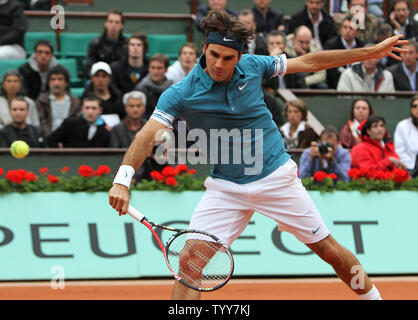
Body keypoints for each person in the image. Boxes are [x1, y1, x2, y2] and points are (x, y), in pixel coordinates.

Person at [109, 10, 407, 300]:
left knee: (327, 249)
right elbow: (147, 135)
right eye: (213, 55)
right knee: (189, 264)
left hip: (277, 178)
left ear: (239, 57)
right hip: (226, 187)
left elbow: (310, 60)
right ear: (204, 49)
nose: (218, 64)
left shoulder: (254, 66)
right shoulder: (181, 92)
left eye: (228, 58)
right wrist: (123, 179)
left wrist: (369, 53)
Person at [109, 91, 164, 181]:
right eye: (131, 106)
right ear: (126, 108)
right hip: (123, 173)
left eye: (138, 106)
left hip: (149, 174)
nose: (135, 109)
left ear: (144, 108)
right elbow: (114, 154)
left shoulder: (151, 127)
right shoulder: (116, 129)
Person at [36, 65, 81, 136]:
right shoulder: (41, 101)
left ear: (66, 83)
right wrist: (52, 139)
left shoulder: (75, 102)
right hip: (48, 140)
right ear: (48, 82)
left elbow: (76, 124)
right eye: (53, 79)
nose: (56, 83)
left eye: (60, 79)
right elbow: (41, 122)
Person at [325, 15, 365, 89]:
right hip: (336, 84)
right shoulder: (331, 45)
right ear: (340, 29)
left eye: (351, 28)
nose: (348, 31)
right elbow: (331, 73)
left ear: (357, 32)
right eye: (345, 27)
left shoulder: (362, 46)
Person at [84, 10, 127, 76]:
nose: (113, 25)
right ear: (105, 23)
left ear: (122, 25)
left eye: (117, 22)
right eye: (111, 21)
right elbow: (89, 66)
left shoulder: (126, 44)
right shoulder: (95, 43)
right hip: (99, 78)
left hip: (119, 79)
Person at [135, 54, 173, 120]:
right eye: (153, 68)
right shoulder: (141, 89)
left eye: (159, 68)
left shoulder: (172, 89)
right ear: (149, 69)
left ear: (166, 69)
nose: (156, 71)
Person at [394, 95, 418, 177]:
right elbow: (399, 150)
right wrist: (411, 166)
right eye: (415, 106)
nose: (417, 108)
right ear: (411, 109)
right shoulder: (402, 126)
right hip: (408, 168)